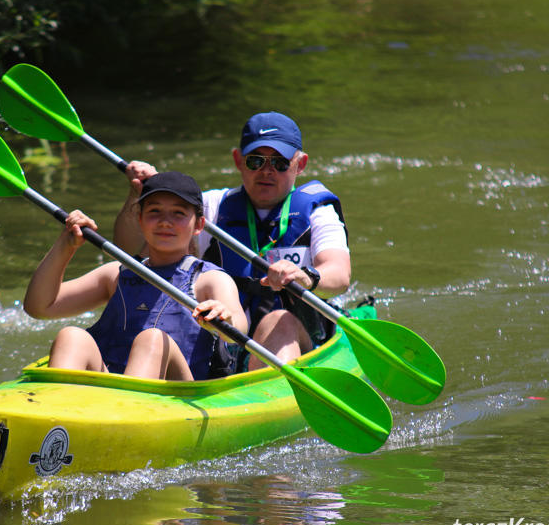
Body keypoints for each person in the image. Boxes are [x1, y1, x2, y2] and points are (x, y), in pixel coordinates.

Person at [114, 112, 350, 374]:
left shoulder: (317, 212)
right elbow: (130, 252)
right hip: (223, 338)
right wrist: (149, 195)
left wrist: (306, 277)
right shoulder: (212, 207)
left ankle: (268, 397)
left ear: (301, 164)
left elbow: (339, 274)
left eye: (280, 163)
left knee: (278, 321)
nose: (267, 171)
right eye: (255, 161)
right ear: (238, 161)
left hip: (301, 336)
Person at [23, 171, 247, 381]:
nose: (165, 221)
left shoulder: (208, 279)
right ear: (140, 220)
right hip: (114, 391)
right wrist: (66, 245)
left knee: (153, 339)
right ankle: (60, 417)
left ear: (198, 225)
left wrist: (225, 319)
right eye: (154, 212)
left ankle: (124, 418)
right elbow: (40, 307)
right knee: (71, 336)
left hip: (179, 395)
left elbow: (239, 328)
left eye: (178, 213)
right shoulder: (116, 274)